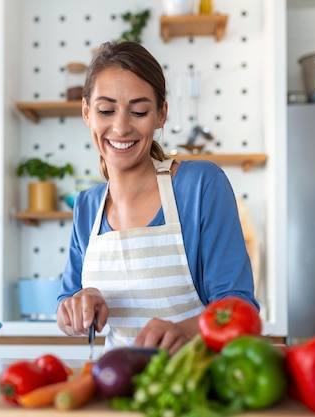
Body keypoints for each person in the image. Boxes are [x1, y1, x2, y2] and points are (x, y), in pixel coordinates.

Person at [56, 41, 258, 354]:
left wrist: (183, 331)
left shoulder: (201, 186)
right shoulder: (86, 207)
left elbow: (240, 311)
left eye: (139, 111)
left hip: (193, 388)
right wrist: (78, 308)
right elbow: (66, 307)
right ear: (86, 113)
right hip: (116, 391)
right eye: (106, 110)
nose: (121, 127)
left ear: (161, 114)